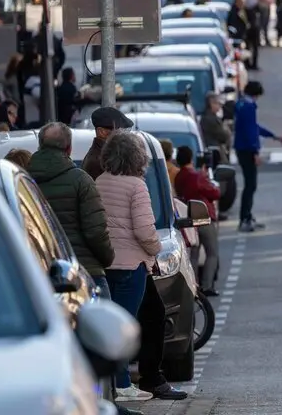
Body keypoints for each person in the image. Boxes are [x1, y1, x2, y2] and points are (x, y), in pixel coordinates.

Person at [96, 131, 162, 403]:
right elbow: (145, 230)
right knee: (125, 327)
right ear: (137, 157)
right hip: (131, 264)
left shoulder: (99, 181)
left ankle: (110, 383)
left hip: (105, 263)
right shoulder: (136, 186)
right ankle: (122, 384)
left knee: (108, 325)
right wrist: (156, 249)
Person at [28, 122, 114, 294]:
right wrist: (107, 258)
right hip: (84, 270)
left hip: (41, 272)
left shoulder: (24, 181)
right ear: (69, 148)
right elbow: (95, 231)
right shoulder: (81, 181)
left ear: (40, 145)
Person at [234, 80, 282, 232]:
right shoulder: (249, 107)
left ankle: (247, 216)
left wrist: (272, 136)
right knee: (251, 185)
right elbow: (251, 131)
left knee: (250, 185)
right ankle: (245, 218)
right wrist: (255, 152)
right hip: (247, 149)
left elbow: (254, 127)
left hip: (241, 148)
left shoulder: (241, 104)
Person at [173, 145, 221, 296]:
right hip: (203, 216)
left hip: (188, 217)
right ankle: (207, 286)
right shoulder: (197, 176)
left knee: (193, 254)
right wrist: (206, 178)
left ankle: (193, 286)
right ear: (191, 158)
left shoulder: (179, 177)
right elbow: (215, 192)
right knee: (211, 252)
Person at [83, 107, 135, 180]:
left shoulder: (104, 155)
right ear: (102, 132)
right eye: (119, 131)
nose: (124, 135)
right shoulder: (99, 161)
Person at [200, 92, 231, 170]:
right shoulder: (211, 119)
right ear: (211, 104)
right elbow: (223, 136)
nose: (219, 106)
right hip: (215, 153)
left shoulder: (210, 117)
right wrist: (226, 129)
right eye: (217, 103)